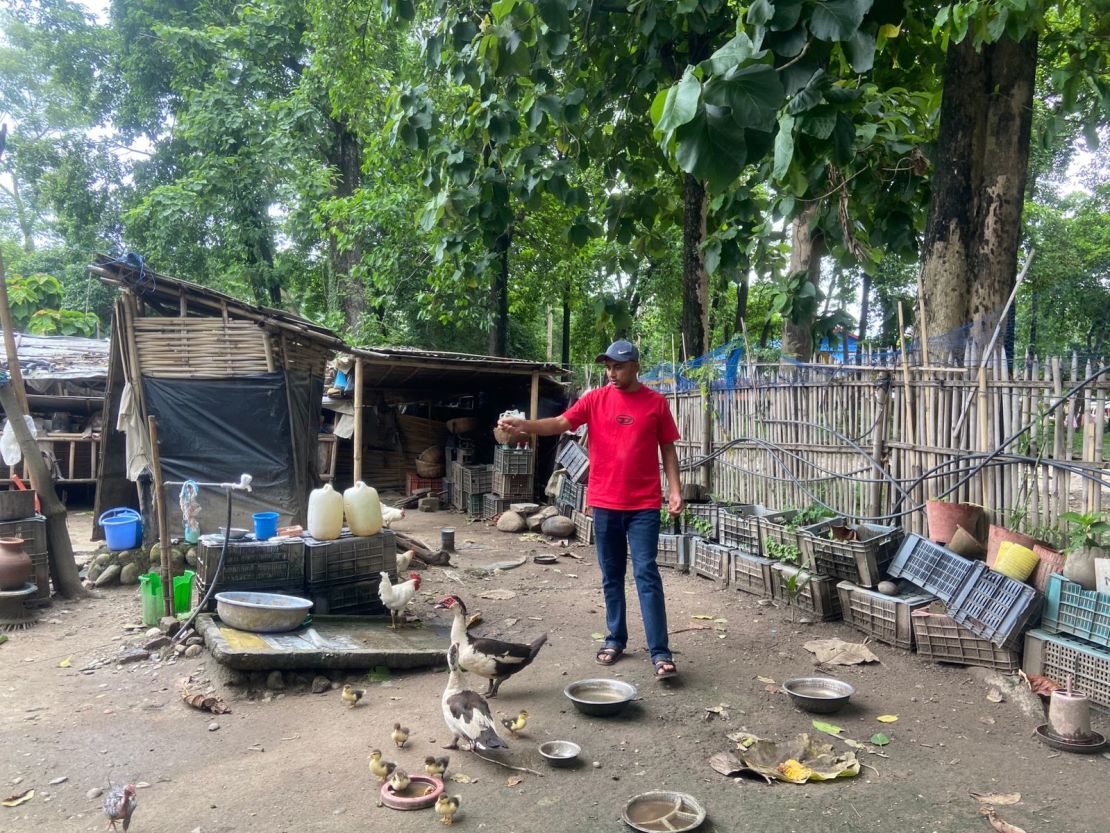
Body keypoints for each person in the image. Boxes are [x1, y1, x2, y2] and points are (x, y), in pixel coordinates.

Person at [497, 339, 685, 680]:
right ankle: (615, 638)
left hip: (643, 504)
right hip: (605, 503)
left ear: (635, 367)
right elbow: (558, 424)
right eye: (609, 367)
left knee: (646, 574)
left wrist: (675, 489)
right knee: (611, 577)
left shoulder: (656, 403)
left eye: (619, 366)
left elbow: (668, 449)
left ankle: (660, 651)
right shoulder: (594, 399)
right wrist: (525, 426)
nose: (612, 373)